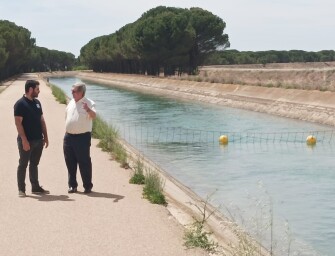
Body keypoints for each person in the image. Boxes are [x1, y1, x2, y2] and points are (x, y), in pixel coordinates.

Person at [14, 80, 50, 197]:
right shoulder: (20, 104)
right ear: (30, 89)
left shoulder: (37, 103)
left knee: (34, 164)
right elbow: (18, 123)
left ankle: (35, 187)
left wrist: (46, 136)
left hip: (38, 140)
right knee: (23, 164)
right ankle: (21, 189)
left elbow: (42, 120)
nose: (39, 91)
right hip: (27, 140)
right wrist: (24, 140)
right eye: (37, 89)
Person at [63, 82, 96, 194]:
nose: (72, 93)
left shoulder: (89, 103)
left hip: (82, 137)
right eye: (71, 91)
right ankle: (72, 185)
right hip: (68, 137)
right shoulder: (71, 102)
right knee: (70, 162)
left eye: (74, 91)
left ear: (81, 92)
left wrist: (87, 109)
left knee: (84, 162)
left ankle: (87, 186)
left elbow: (94, 116)